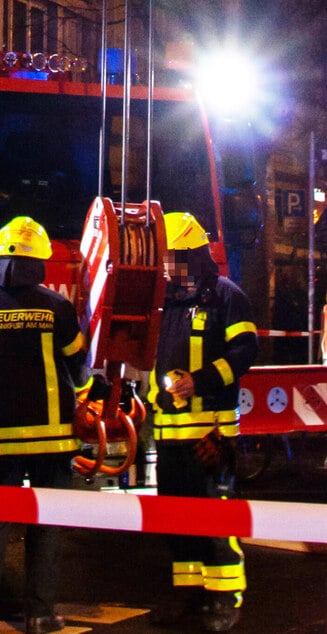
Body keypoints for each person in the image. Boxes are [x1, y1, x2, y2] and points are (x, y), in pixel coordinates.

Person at [0, 216, 88, 634]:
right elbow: (79, 366)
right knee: (46, 526)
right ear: (40, 260)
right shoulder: (57, 308)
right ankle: (39, 614)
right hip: (52, 437)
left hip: (0, 439)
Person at [148, 211, 259, 632]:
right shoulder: (169, 301)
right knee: (177, 516)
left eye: (175, 258)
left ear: (194, 255)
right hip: (171, 434)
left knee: (216, 515)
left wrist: (200, 381)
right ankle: (190, 593)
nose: (168, 268)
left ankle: (225, 596)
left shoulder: (227, 297)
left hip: (212, 431)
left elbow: (244, 354)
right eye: (165, 259)